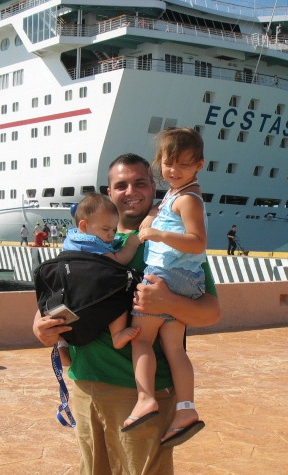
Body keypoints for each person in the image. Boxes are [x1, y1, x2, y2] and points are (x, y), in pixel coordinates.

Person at [33, 153, 220, 475]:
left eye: (140, 182)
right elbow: (56, 294)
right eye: (121, 185)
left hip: (142, 396)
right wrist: (39, 325)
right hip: (86, 387)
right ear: (110, 191)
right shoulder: (91, 244)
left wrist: (167, 301)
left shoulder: (176, 247)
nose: (131, 191)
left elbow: (211, 312)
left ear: (154, 187)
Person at [123, 128, 206, 447]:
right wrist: (152, 221)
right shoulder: (176, 195)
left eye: (183, 165)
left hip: (167, 276)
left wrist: (158, 235)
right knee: (174, 348)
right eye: (168, 163)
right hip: (183, 280)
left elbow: (198, 243)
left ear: (199, 164)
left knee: (141, 338)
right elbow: (164, 219)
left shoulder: (187, 198)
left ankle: (146, 399)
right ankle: (186, 409)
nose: (174, 170)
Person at [61, 192, 141, 349]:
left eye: (113, 228)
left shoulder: (74, 238)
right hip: (91, 293)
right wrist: (132, 244)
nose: (111, 234)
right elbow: (118, 260)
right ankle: (117, 334)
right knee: (118, 297)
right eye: (106, 229)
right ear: (84, 226)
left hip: (72, 295)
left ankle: (62, 345)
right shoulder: (91, 243)